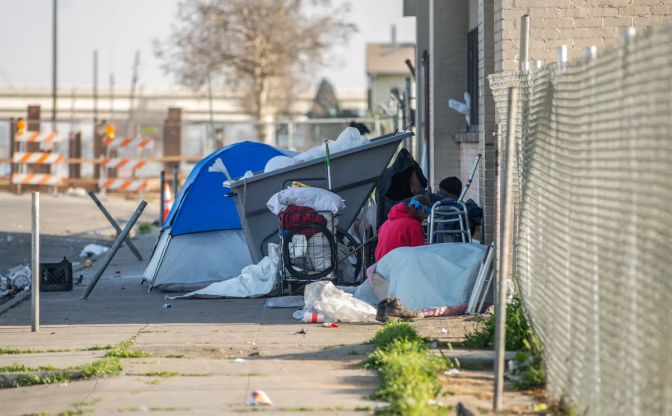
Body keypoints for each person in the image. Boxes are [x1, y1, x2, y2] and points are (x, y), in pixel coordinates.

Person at [375, 195, 431, 263]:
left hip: (380, 265)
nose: (424, 219)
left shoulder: (386, 223)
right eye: (425, 217)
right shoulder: (415, 225)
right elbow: (418, 254)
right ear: (422, 211)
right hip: (396, 267)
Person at [433, 176, 483, 242]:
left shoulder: (458, 209)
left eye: (440, 189)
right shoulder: (463, 209)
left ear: (447, 192)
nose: (438, 192)